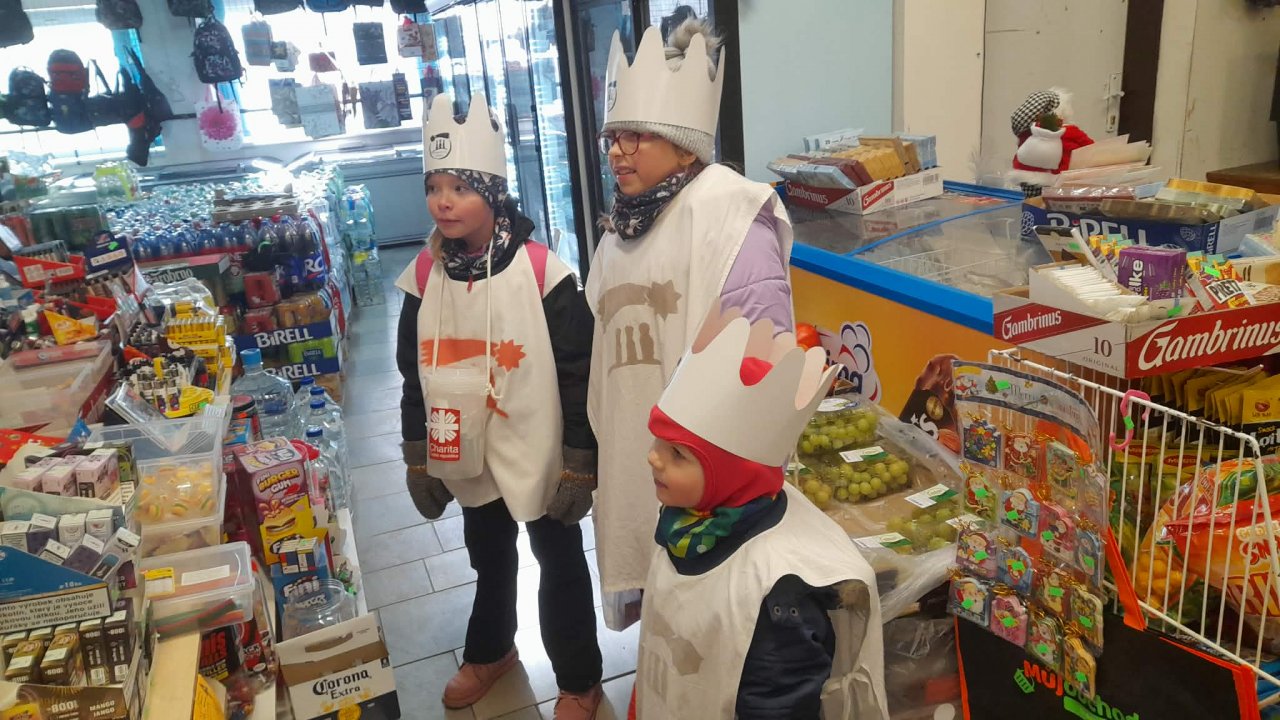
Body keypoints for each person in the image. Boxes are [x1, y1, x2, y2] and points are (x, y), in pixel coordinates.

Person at [395, 92, 603, 719]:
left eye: (460, 187)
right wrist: (418, 455)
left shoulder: (541, 272)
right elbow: (413, 373)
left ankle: (579, 677)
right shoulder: (425, 276)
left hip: (538, 447)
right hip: (463, 443)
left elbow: (578, 370)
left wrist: (579, 460)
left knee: (558, 559)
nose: (443, 201)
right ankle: (492, 649)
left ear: (492, 192)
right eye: (434, 187)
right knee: (487, 553)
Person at [587, 17, 795, 630]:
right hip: (637, 449)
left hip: (709, 470)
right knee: (663, 613)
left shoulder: (730, 215)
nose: (617, 151)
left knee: (712, 614)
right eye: (613, 137)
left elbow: (756, 360)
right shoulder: (620, 228)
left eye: (636, 136)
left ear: (684, 147)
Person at [633, 305, 887, 719]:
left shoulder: (776, 592)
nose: (653, 458)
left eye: (677, 454)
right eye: (657, 442)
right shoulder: (687, 520)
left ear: (732, 475)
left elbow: (777, 703)